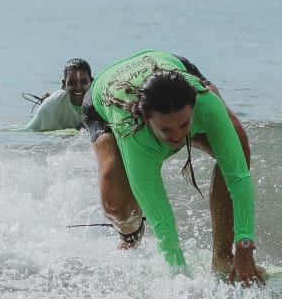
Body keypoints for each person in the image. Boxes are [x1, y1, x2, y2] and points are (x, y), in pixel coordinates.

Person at [82, 50, 264, 284]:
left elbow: (238, 178)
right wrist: (181, 282)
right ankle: (130, 235)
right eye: (166, 130)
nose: (177, 136)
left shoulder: (205, 103)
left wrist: (245, 246)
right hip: (104, 97)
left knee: (237, 144)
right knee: (115, 204)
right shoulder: (134, 132)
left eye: (184, 125)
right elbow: (163, 222)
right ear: (147, 120)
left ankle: (222, 257)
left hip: (169, 69)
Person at [23, 58, 92, 131]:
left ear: (91, 81)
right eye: (72, 82)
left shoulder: (99, 101)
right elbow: (28, 130)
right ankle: (45, 99)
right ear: (64, 84)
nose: (78, 87)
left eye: (83, 82)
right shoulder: (51, 105)